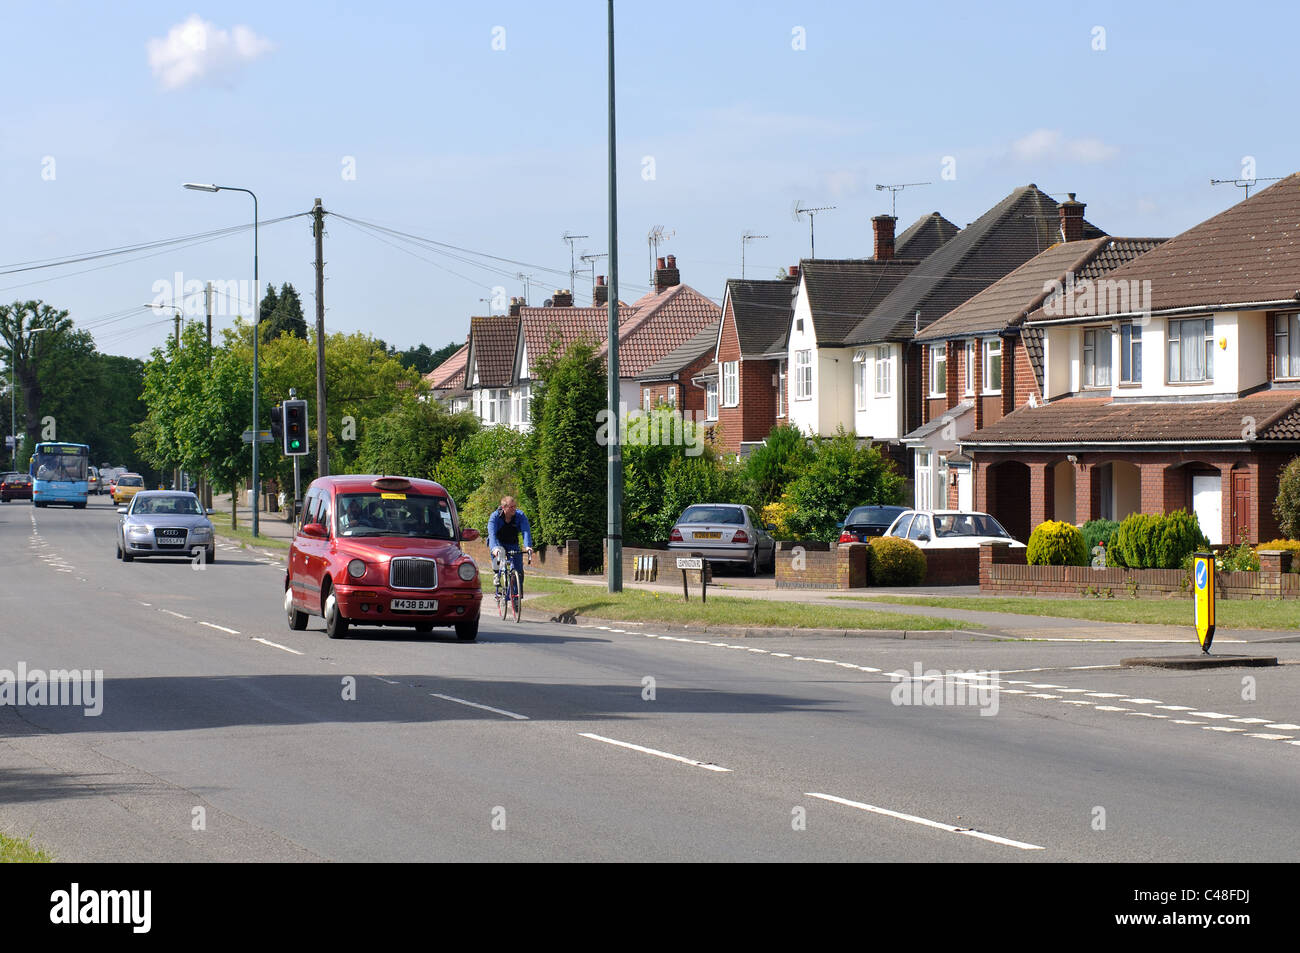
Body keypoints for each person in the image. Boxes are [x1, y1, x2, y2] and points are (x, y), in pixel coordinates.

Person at [487, 496, 534, 597]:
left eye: (515, 506)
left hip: (512, 543)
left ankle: (516, 596)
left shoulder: (520, 515)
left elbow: (526, 531)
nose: (514, 509)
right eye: (511, 507)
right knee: (499, 552)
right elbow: (492, 535)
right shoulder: (495, 517)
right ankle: (496, 574)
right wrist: (494, 548)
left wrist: (528, 546)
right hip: (498, 542)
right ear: (504, 507)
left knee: (518, 570)